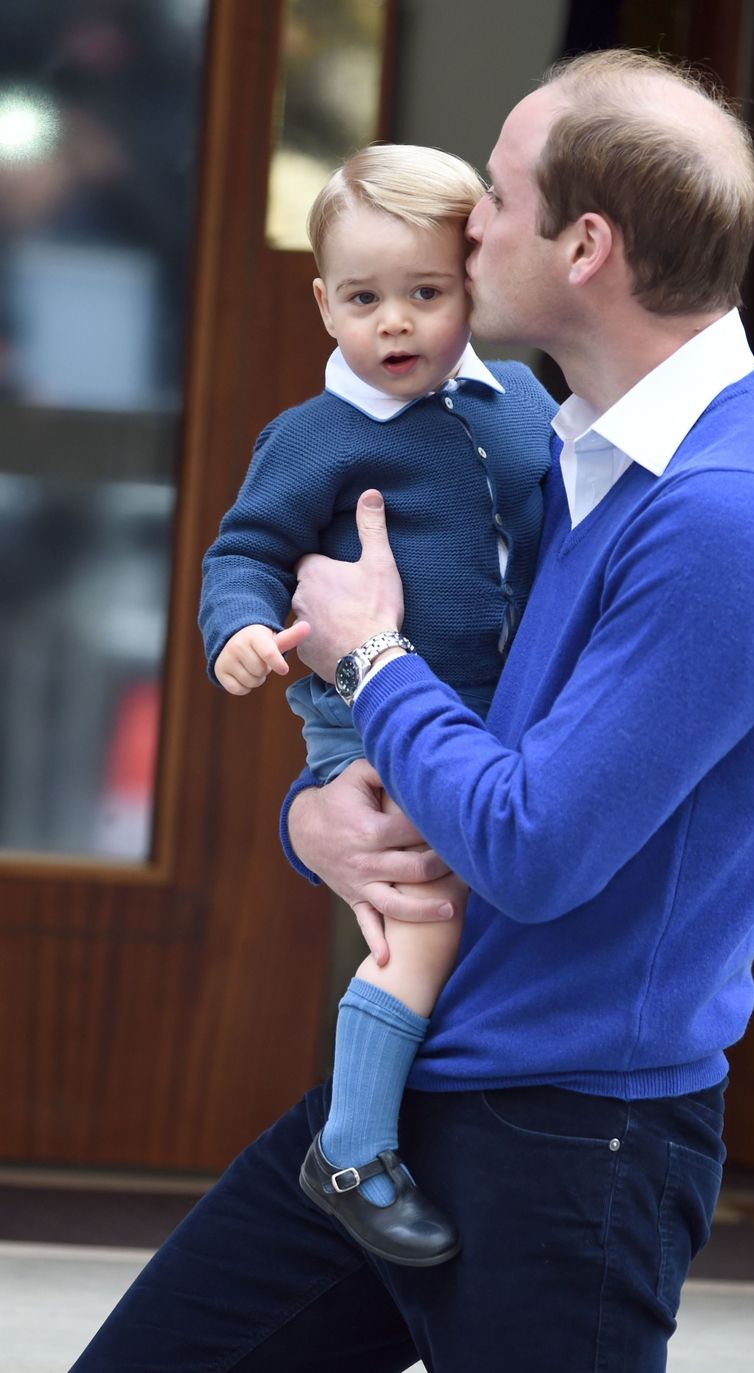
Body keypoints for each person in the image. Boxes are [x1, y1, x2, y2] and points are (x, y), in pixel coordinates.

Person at [70, 49, 754, 1373]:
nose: (469, 223)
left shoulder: (734, 515)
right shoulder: (563, 448)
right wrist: (316, 811)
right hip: (417, 1087)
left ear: (589, 244)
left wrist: (372, 661)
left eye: (497, 194)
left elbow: (534, 846)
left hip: (572, 1142)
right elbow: (468, 739)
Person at [197, 143, 555, 1265]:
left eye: (425, 294)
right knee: (425, 915)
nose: (393, 323)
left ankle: (440, 1117)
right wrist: (245, 633)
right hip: (365, 720)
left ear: (472, 284)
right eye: (362, 299)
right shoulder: (314, 437)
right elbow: (244, 552)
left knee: (491, 896)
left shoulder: (524, 404)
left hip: (493, 709)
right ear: (322, 301)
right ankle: (351, 1148)